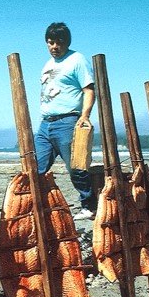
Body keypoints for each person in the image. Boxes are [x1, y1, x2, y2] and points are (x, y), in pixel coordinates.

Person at [36, 22, 97, 220]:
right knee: (36, 167)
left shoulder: (77, 59)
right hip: (46, 123)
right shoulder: (48, 64)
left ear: (66, 43)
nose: (54, 47)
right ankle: (37, 205)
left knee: (76, 167)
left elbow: (89, 90)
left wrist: (84, 116)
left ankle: (88, 205)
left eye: (58, 43)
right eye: (50, 42)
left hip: (67, 121)